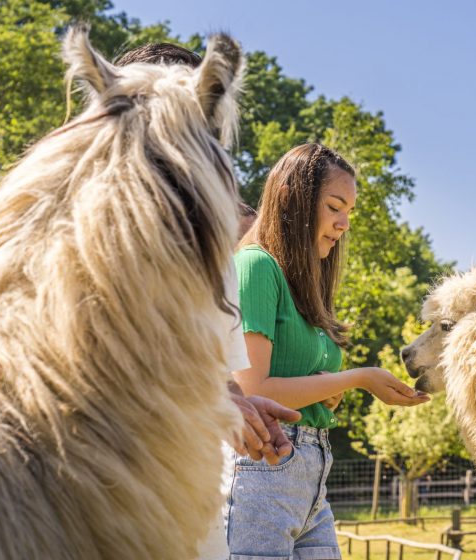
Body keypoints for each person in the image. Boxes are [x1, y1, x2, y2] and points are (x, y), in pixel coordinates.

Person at [114, 42, 299, 560]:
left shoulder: (217, 253)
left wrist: (234, 406)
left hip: (187, 512)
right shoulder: (63, 230)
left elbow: (215, 375)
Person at [228, 143, 429, 559]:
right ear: (292, 199)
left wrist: (326, 388)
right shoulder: (255, 266)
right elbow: (252, 390)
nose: (343, 224)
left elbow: (299, 382)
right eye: (335, 206)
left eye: (349, 212)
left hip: (314, 478)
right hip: (266, 468)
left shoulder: (305, 286)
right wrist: (358, 379)